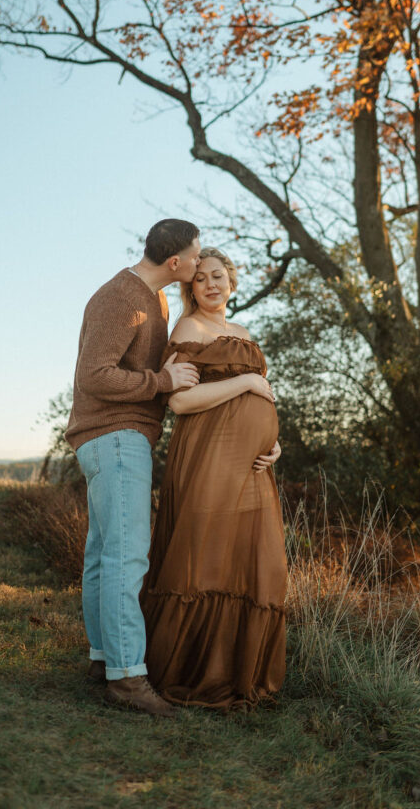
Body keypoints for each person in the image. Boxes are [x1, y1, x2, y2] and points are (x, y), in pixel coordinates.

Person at [140, 247, 287, 712]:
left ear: (232, 281)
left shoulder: (242, 333)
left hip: (252, 468)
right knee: (202, 558)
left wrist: (273, 444)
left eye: (218, 276)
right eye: (200, 278)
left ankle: (239, 673)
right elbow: (180, 402)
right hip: (207, 460)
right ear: (190, 287)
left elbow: (262, 398)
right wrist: (246, 384)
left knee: (248, 560)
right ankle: (188, 672)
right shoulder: (188, 329)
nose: (210, 284)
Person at [66, 219, 201, 717]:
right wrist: (161, 381)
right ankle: (127, 678)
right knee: (127, 559)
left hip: (114, 439)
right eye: (196, 256)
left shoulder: (155, 299)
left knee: (104, 557)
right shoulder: (124, 297)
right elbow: (94, 375)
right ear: (175, 262)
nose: (198, 263)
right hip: (115, 437)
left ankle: (104, 660)